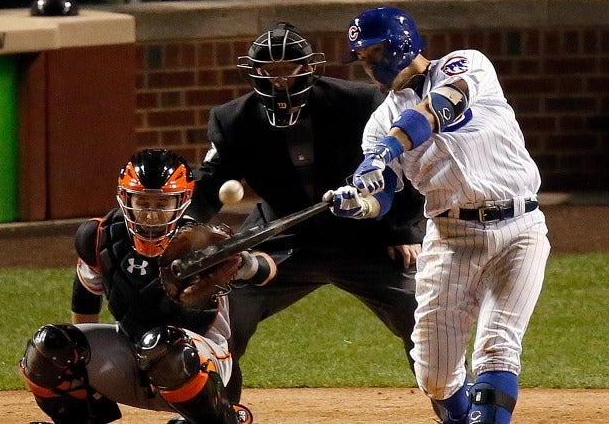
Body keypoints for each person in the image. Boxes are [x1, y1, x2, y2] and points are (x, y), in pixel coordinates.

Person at [182, 21, 426, 419]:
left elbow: (407, 166)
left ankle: (455, 409)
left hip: (365, 237)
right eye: (269, 71)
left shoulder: (362, 102)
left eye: (288, 68)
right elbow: (207, 186)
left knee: (422, 315)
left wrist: (404, 230)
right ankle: (218, 414)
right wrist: (185, 230)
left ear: (309, 67)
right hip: (279, 241)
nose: (279, 79)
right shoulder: (233, 120)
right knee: (219, 319)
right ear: (253, 72)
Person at [326, 7, 551, 424]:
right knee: (434, 376)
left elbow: (440, 108)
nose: (369, 65)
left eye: (374, 52)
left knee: (497, 346)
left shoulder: (464, 64)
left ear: (401, 44)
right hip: (450, 238)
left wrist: (384, 153)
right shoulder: (378, 125)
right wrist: (361, 203)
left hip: (520, 229)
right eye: (362, 57)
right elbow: (385, 196)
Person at [19, 149, 275, 424]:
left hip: (201, 366)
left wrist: (246, 263)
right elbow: (84, 303)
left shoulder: (201, 245)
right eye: (143, 202)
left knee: (163, 347)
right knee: (49, 346)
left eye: (161, 204)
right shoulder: (99, 236)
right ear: (126, 198)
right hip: (131, 352)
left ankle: (224, 419)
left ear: (182, 201)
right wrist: (80, 366)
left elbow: (267, 269)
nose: (151, 215)